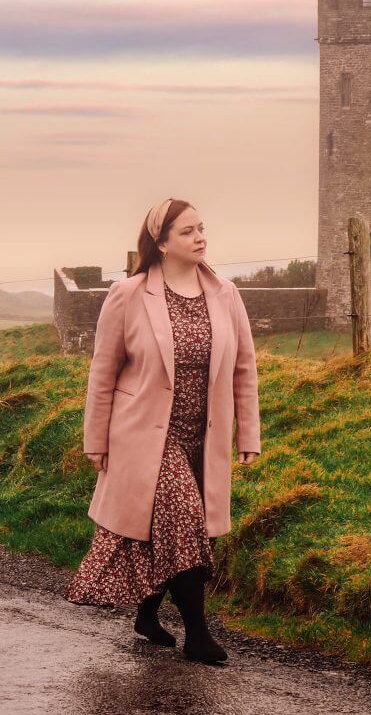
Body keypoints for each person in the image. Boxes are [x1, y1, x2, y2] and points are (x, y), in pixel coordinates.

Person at [66, 197, 261, 665]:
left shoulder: (226, 293)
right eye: (188, 231)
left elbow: (243, 369)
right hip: (145, 436)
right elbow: (104, 371)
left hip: (205, 435)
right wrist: (96, 439)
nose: (200, 238)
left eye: (201, 229)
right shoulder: (129, 294)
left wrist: (248, 434)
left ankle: (146, 615)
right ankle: (198, 632)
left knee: (169, 529)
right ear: (162, 242)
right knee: (184, 520)